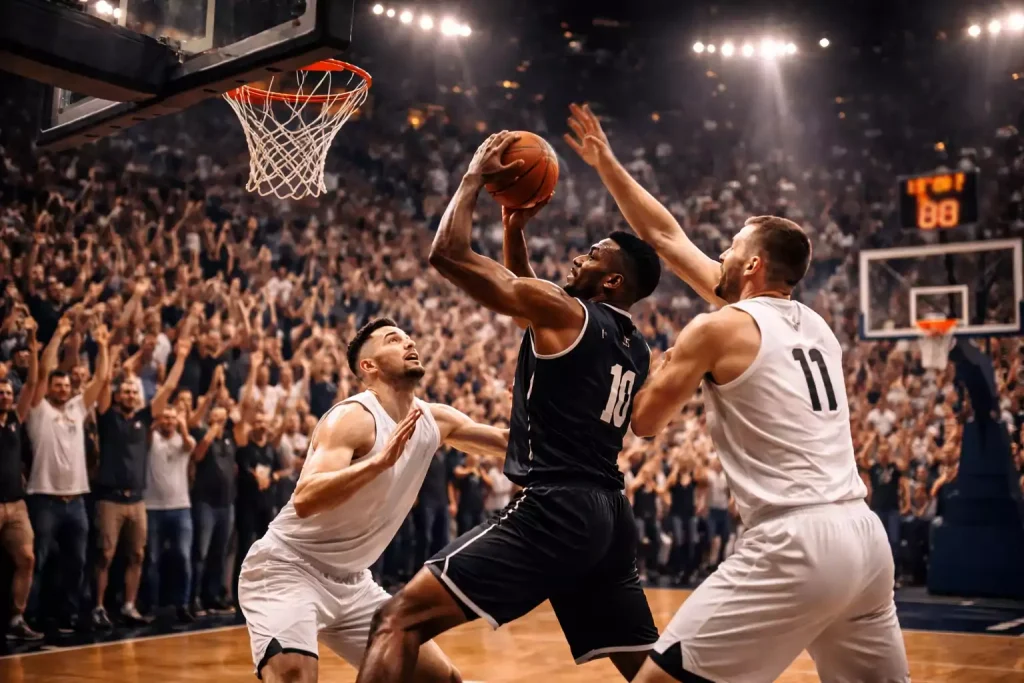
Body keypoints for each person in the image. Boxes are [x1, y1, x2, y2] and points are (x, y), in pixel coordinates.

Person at [563, 103, 909, 682]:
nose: (718, 254)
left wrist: (667, 357)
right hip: (865, 540)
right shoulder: (814, 325)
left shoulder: (718, 328)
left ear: (750, 265)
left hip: (795, 541)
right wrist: (606, 162)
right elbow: (665, 238)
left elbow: (645, 422)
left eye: (728, 247)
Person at [357, 131, 663, 682]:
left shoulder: (566, 312)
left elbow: (447, 255)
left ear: (613, 280)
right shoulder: (634, 346)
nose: (577, 256)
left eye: (592, 255)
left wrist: (474, 175)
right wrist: (512, 228)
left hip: (557, 507)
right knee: (646, 667)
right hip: (609, 516)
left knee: (397, 619)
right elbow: (529, 308)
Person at [237, 317, 510, 683]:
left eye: (409, 338)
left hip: (353, 583)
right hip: (289, 568)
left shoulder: (436, 419)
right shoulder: (352, 418)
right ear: (369, 366)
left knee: (443, 681)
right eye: (394, 340)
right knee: (293, 676)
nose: (409, 343)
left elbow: (510, 443)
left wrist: (533, 402)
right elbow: (305, 498)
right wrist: (378, 464)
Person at [91, 337, 191, 628]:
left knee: (137, 555)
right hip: (110, 498)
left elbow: (169, 388)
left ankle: (129, 605)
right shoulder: (108, 417)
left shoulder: (146, 417)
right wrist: (105, 349)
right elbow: (103, 379)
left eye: (134, 390)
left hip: (137, 499)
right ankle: (98, 607)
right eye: (125, 390)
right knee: (105, 555)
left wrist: (181, 357)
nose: (130, 393)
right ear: (118, 395)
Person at [25, 317, 109, 633]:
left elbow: (101, 378)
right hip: (44, 498)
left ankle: (68, 614)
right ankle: (30, 615)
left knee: (76, 563)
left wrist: (102, 346)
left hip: (76, 501)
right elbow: (43, 372)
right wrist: (58, 333)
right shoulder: (38, 411)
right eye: (56, 385)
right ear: (49, 390)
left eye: (65, 385)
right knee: (39, 560)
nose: (61, 388)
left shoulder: (77, 407)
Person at [0, 316, 41, 640]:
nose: (4, 394)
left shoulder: (15, 418)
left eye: (6, 391)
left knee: (27, 558)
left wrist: (33, 343)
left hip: (16, 503)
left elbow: (31, 384)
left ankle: (16, 618)